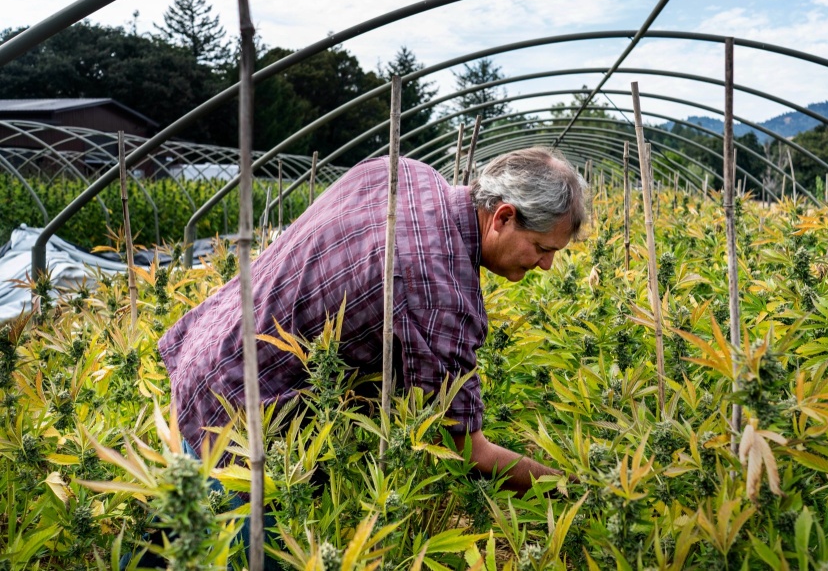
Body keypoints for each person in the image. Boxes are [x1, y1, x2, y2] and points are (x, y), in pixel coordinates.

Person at [158, 147, 587, 493]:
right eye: (541, 247)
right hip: (240, 428)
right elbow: (464, 451)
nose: (547, 265)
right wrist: (569, 488)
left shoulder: (406, 170)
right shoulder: (440, 293)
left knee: (162, 549)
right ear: (503, 217)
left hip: (207, 353)